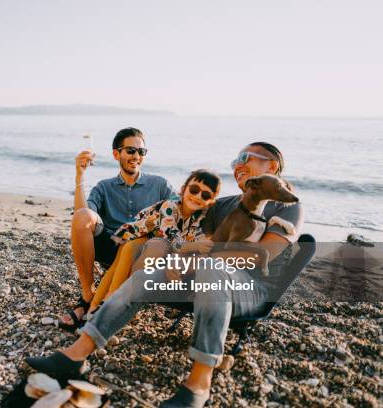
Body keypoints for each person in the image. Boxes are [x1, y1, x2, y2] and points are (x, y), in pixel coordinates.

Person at [28, 142, 304, 408]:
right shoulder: (224, 205)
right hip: (202, 276)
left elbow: (263, 254)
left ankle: (199, 384)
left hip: (250, 290)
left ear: (272, 165)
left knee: (211, 269)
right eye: (235, 161)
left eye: (246, 158)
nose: (237, 166)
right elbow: (198, 241)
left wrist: (194, 262)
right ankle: (75, 355)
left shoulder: (285, 203)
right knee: (149, 274)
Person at [59, 127, 174, 331]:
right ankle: (88, 295)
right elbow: (81, 218)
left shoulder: (160, 184)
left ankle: (91, 307)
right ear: (116, 154)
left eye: (141, 152)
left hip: (143, 255)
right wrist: (79, 177)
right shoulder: (104, 187)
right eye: (130, 151)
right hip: (110, 248)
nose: (136, 156)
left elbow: (182, 209)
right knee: (82, 216)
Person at [87, 169, 221, 316]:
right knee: (117, 269)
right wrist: (194, 246)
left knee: (118, 269)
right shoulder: (170, 206)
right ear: (183, 189)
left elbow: (194, 245)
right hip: (134, 235)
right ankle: (101, 305)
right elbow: (173, 238)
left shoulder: (198, 221)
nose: (198, 196)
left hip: (153, 242)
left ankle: (99, 310)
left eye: (205, 194)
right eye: (194, 190)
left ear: (211, 201)